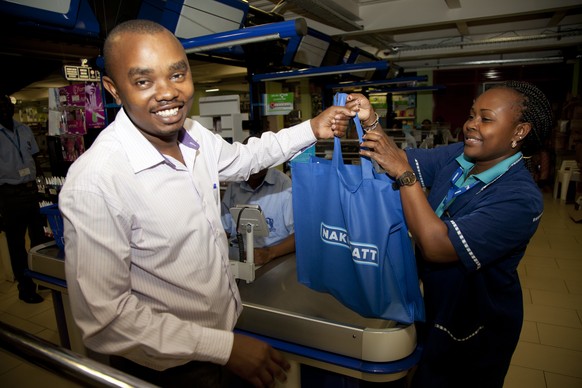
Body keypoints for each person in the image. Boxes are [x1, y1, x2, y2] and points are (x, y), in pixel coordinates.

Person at [58, 19, 351, 388]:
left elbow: (247, 158)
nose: (168, 93)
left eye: (177, 74)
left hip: (225, 338)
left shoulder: (194, 136)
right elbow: (106, 320)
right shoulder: (97, 182)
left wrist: (312, 128)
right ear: (114, 90)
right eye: (143, 81)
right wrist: (225, 348)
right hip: (171, 368)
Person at [345, 80, 553, 388]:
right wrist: (371, 120)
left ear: (519, 132)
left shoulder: (519, 198)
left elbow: (436, 244)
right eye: (471, 115)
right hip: (437, 300)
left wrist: (405, 177)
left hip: (476, 322)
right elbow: (397, 157)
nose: (470, 125)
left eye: (486, 119)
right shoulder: (463, 157)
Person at [0, 94, 48, 304]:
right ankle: (25, 287)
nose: (5, 109)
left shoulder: (24, 129)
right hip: (9, 195)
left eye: (7, 105)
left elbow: (34, 156)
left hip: (30, 191)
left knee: (38, 238)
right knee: (16, 244)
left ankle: (41, 276)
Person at [221, 137, 295, 266]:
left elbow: (300, 237)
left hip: (274, 261)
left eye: (258, 159)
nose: (254, 165)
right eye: (249, 160)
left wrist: (269, 253)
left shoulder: (285, 187)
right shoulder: (234, 186)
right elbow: (223, 229)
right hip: (238, 261)